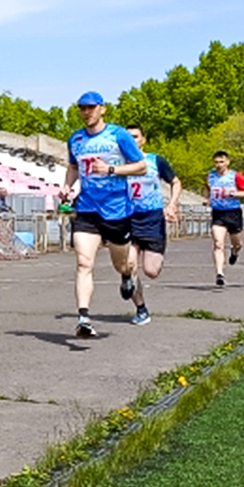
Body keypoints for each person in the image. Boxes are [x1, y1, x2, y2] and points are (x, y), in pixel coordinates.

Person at [59, 92, 147, 338]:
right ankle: (84, 318)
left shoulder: (118, 135)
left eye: (91, 108)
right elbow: (74, 167)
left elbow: (141, 166)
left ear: (102, 109)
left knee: (122, 264)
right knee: (83, 262)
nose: (86, 112)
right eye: (82, 108)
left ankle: (127, 276)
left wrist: (111, 169)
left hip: (117, 209)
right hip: (87, 209)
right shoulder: (75, 139)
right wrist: (68, 186)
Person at [118, 125, 180, 326]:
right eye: (128, 137)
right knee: (128, 265)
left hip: (152, 219)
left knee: (151, 271)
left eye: (135, 136)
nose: (132, 140)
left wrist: (171, 204)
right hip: (127, 218)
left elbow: (176, 182)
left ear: (143, 139)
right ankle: (141, 308)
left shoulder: (155, 161)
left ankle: (138, 270)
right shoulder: (118, 164)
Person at [205, 151, 244, 288]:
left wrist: (232, 193)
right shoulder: (211, 175)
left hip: (233, 213)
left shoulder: (235, 176)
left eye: (221, 162)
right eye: (216, 162)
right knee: (218, 243)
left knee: (238, 243)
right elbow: (207, 188)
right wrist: (208, 199)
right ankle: (220, 274)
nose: (218, 165)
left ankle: (235, 251)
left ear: (227, 162)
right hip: (218, 213)